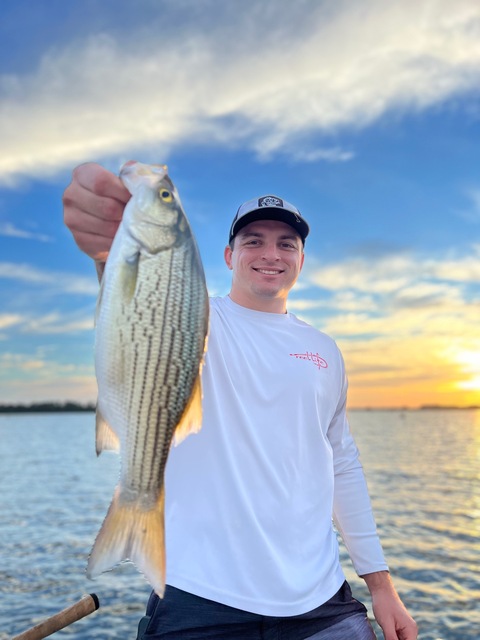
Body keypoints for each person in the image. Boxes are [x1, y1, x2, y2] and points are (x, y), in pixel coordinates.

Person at [63, 164, 418, 640]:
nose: (270, 253)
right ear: (229, 255)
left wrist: (381, 585)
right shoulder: (199, 314)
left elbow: (342, 466)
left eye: (285, 243)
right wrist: (109, 247)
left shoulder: (326, 350)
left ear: (301, 260)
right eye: (253, 240)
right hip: (199, 597)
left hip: (320, 600)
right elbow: (142, 304)